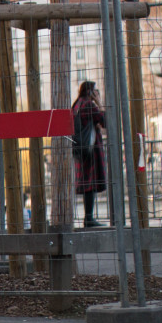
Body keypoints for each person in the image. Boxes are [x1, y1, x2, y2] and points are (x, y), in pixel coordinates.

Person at [72, 81, 106, 227]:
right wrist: (100, 103)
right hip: (91, 149)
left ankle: (88, 217)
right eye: (95, 91)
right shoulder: (89, 105)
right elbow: (105, 121)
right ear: (90, 92)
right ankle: (89, 218)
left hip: (80, 148)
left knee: (87, 183)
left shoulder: (77, 105)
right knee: (90, 183)